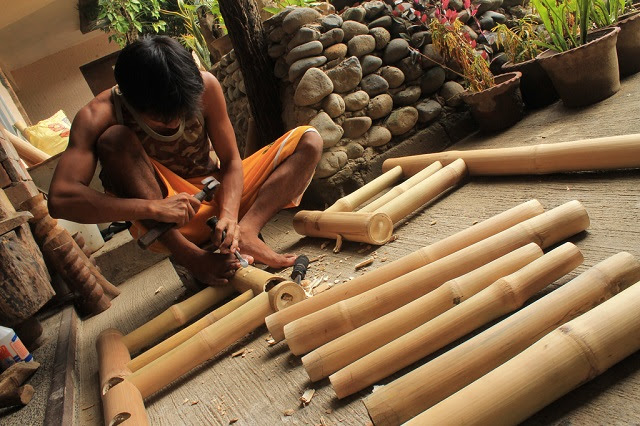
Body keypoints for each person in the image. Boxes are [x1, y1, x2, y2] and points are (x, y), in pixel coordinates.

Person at [48, 35, 323, 286]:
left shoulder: (205, 86)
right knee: (114, 140)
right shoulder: (98, 114)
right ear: (132, 101)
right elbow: (61, 199)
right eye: (162, 119)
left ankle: (247, 231)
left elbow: (231, 162)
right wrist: (154, 208)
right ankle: (192, 257)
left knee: (309, 141)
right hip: (170, 222)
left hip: (220, 195)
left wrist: (229, 214)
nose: (176, 123)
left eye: (183, 112)